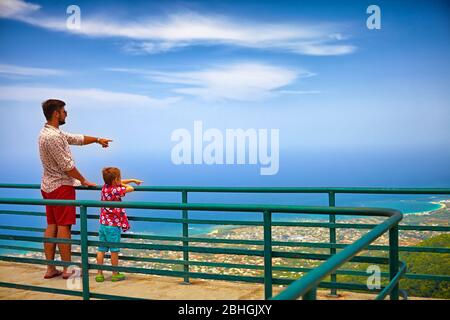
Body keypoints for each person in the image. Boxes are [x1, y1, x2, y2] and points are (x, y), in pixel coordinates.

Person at [39, 99, 112, 279]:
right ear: (56, 113)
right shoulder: (54, 137)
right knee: (64, 227)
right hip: (61, 187)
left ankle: (50, 268)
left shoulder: (47, 133)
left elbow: (76, 138)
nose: (66, 114)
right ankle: (67, 270)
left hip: (48, 186)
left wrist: (96, 140)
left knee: (52, 225)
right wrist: (84, 180)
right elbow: (66, 166)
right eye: (64, 111)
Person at [95, 167, 142, 282]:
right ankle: (115, 273)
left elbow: (120, 183)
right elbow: (131, 189)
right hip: (113, 226)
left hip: (103, 224)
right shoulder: (115, 190)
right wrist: (129, 184)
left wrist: (132, 179)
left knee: (101, 249)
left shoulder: (105, 188)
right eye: (119, 179)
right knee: (114, 250)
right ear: (115, 180)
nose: (121, 180)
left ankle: (99, 274)